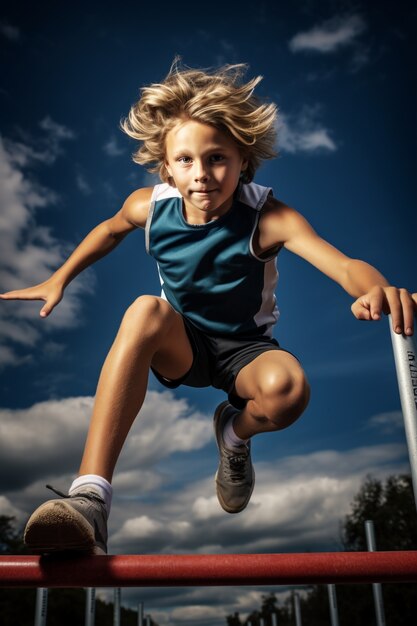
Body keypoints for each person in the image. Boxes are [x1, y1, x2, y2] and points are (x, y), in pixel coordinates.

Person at [1, 59, 416, 556]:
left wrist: (375, 288)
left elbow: (344, 265)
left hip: (246, 350)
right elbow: (110, 229)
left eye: (217, 158)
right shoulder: (150, 206)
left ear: (243, 160)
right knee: (143, 310)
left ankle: (233, 433)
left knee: (288, 391)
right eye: (186, 161)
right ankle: (91, 496)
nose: (202, 175)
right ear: (167, 166)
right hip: (181, 342)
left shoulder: (267, 216)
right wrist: (59, 278)